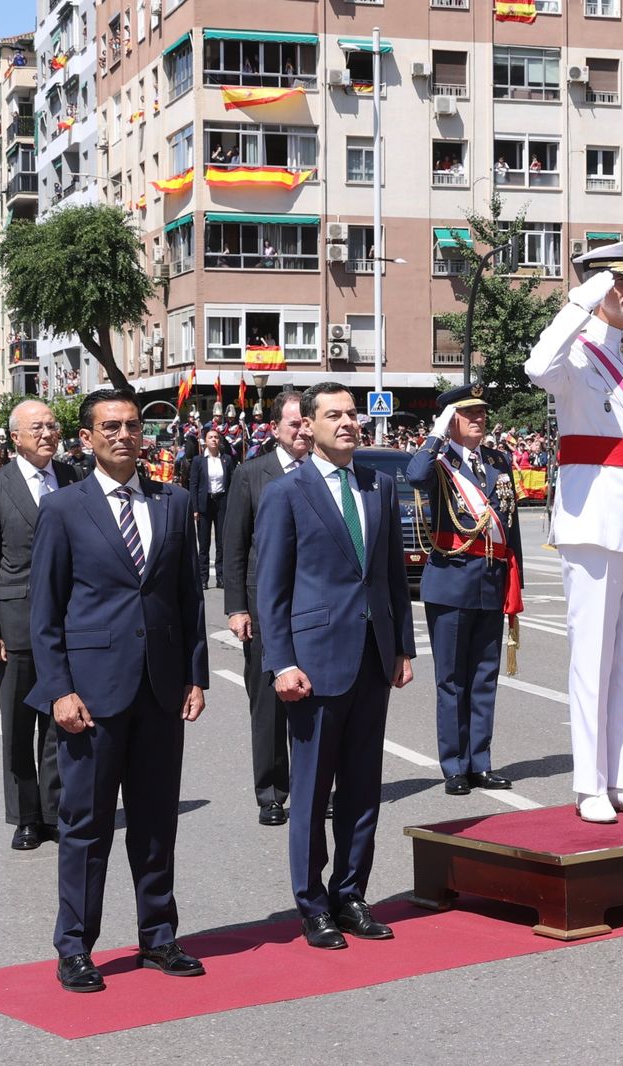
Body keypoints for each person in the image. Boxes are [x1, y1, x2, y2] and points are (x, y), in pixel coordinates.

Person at [28, 388, 209, 993]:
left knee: (157, 821)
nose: (124, 434)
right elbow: (45, 612)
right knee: (87, 825)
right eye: (110, 426)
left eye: (132, 425)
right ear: (87, 439)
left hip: (160, 689)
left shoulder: (173, 501)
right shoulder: (63, 509)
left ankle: (159, 936)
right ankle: (75, 947)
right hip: (92, 696)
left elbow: (187, 600)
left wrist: (195, 674)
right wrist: (58, 690)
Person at [255, 383, 415, 949]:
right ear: (308, 426)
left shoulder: (378, 485)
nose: (347, 423)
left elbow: (392, 576)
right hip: (314, 664)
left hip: (373, 660)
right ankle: (312, 903)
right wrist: (281, 663)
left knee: (362, 789)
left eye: (352, 414)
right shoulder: (287, 492)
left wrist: (403, 648)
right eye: (334, 415)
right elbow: (269, 589)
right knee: (313, 786)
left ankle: (351, 895)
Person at [525, 239, 623, 824]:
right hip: (591, 513)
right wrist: (585, 298)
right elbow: (536, 367)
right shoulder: (572, 350)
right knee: (591, 654)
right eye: (620, 280)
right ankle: (590, 783)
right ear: (593, 284)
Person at [0, 400, 79, 852]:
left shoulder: (74, 478)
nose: (49, 433)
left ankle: (54, 812)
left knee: (61, 720)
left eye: (53, 426)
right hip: (15, 623)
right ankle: (25, 816)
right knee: (18, 724)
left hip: (69, 622)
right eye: (38, 427)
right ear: (16, 437)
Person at [405, 383, 525, 796]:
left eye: (481, 412)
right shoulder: (435, 462)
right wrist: (436, 434)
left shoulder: (497, 461)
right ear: (449, 420)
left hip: (491, 579)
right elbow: (414, 476)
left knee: (485, 678)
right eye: (467, 413)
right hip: (451, 581)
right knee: (452, 679)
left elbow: (511, 529)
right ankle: (454, 765)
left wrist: (515, 581)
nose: (478, 418)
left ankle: (481, 762)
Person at [221, 390, 309, 827]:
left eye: (306, 422)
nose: (302, 431)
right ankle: (271, 793)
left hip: (314, 608)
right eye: (293, 424)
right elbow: (234, 546)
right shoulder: (252, 473)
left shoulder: (323, 470)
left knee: (315, 701)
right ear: (275, 428)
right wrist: (237, 607)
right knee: (269, 703)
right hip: (263, 608)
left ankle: (316, 787)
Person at [188, 427, 235, 589]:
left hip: (222, 502)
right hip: (205, 503)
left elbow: (231, 482)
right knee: (204, 543)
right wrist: (194, 507)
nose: (214, 440)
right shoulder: (198, 461)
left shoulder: (227, 460)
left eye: (216, 437)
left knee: (222, 542)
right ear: (205, 441)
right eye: (210, 437)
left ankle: (221, 577)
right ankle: (203, 578)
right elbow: (193, 485)